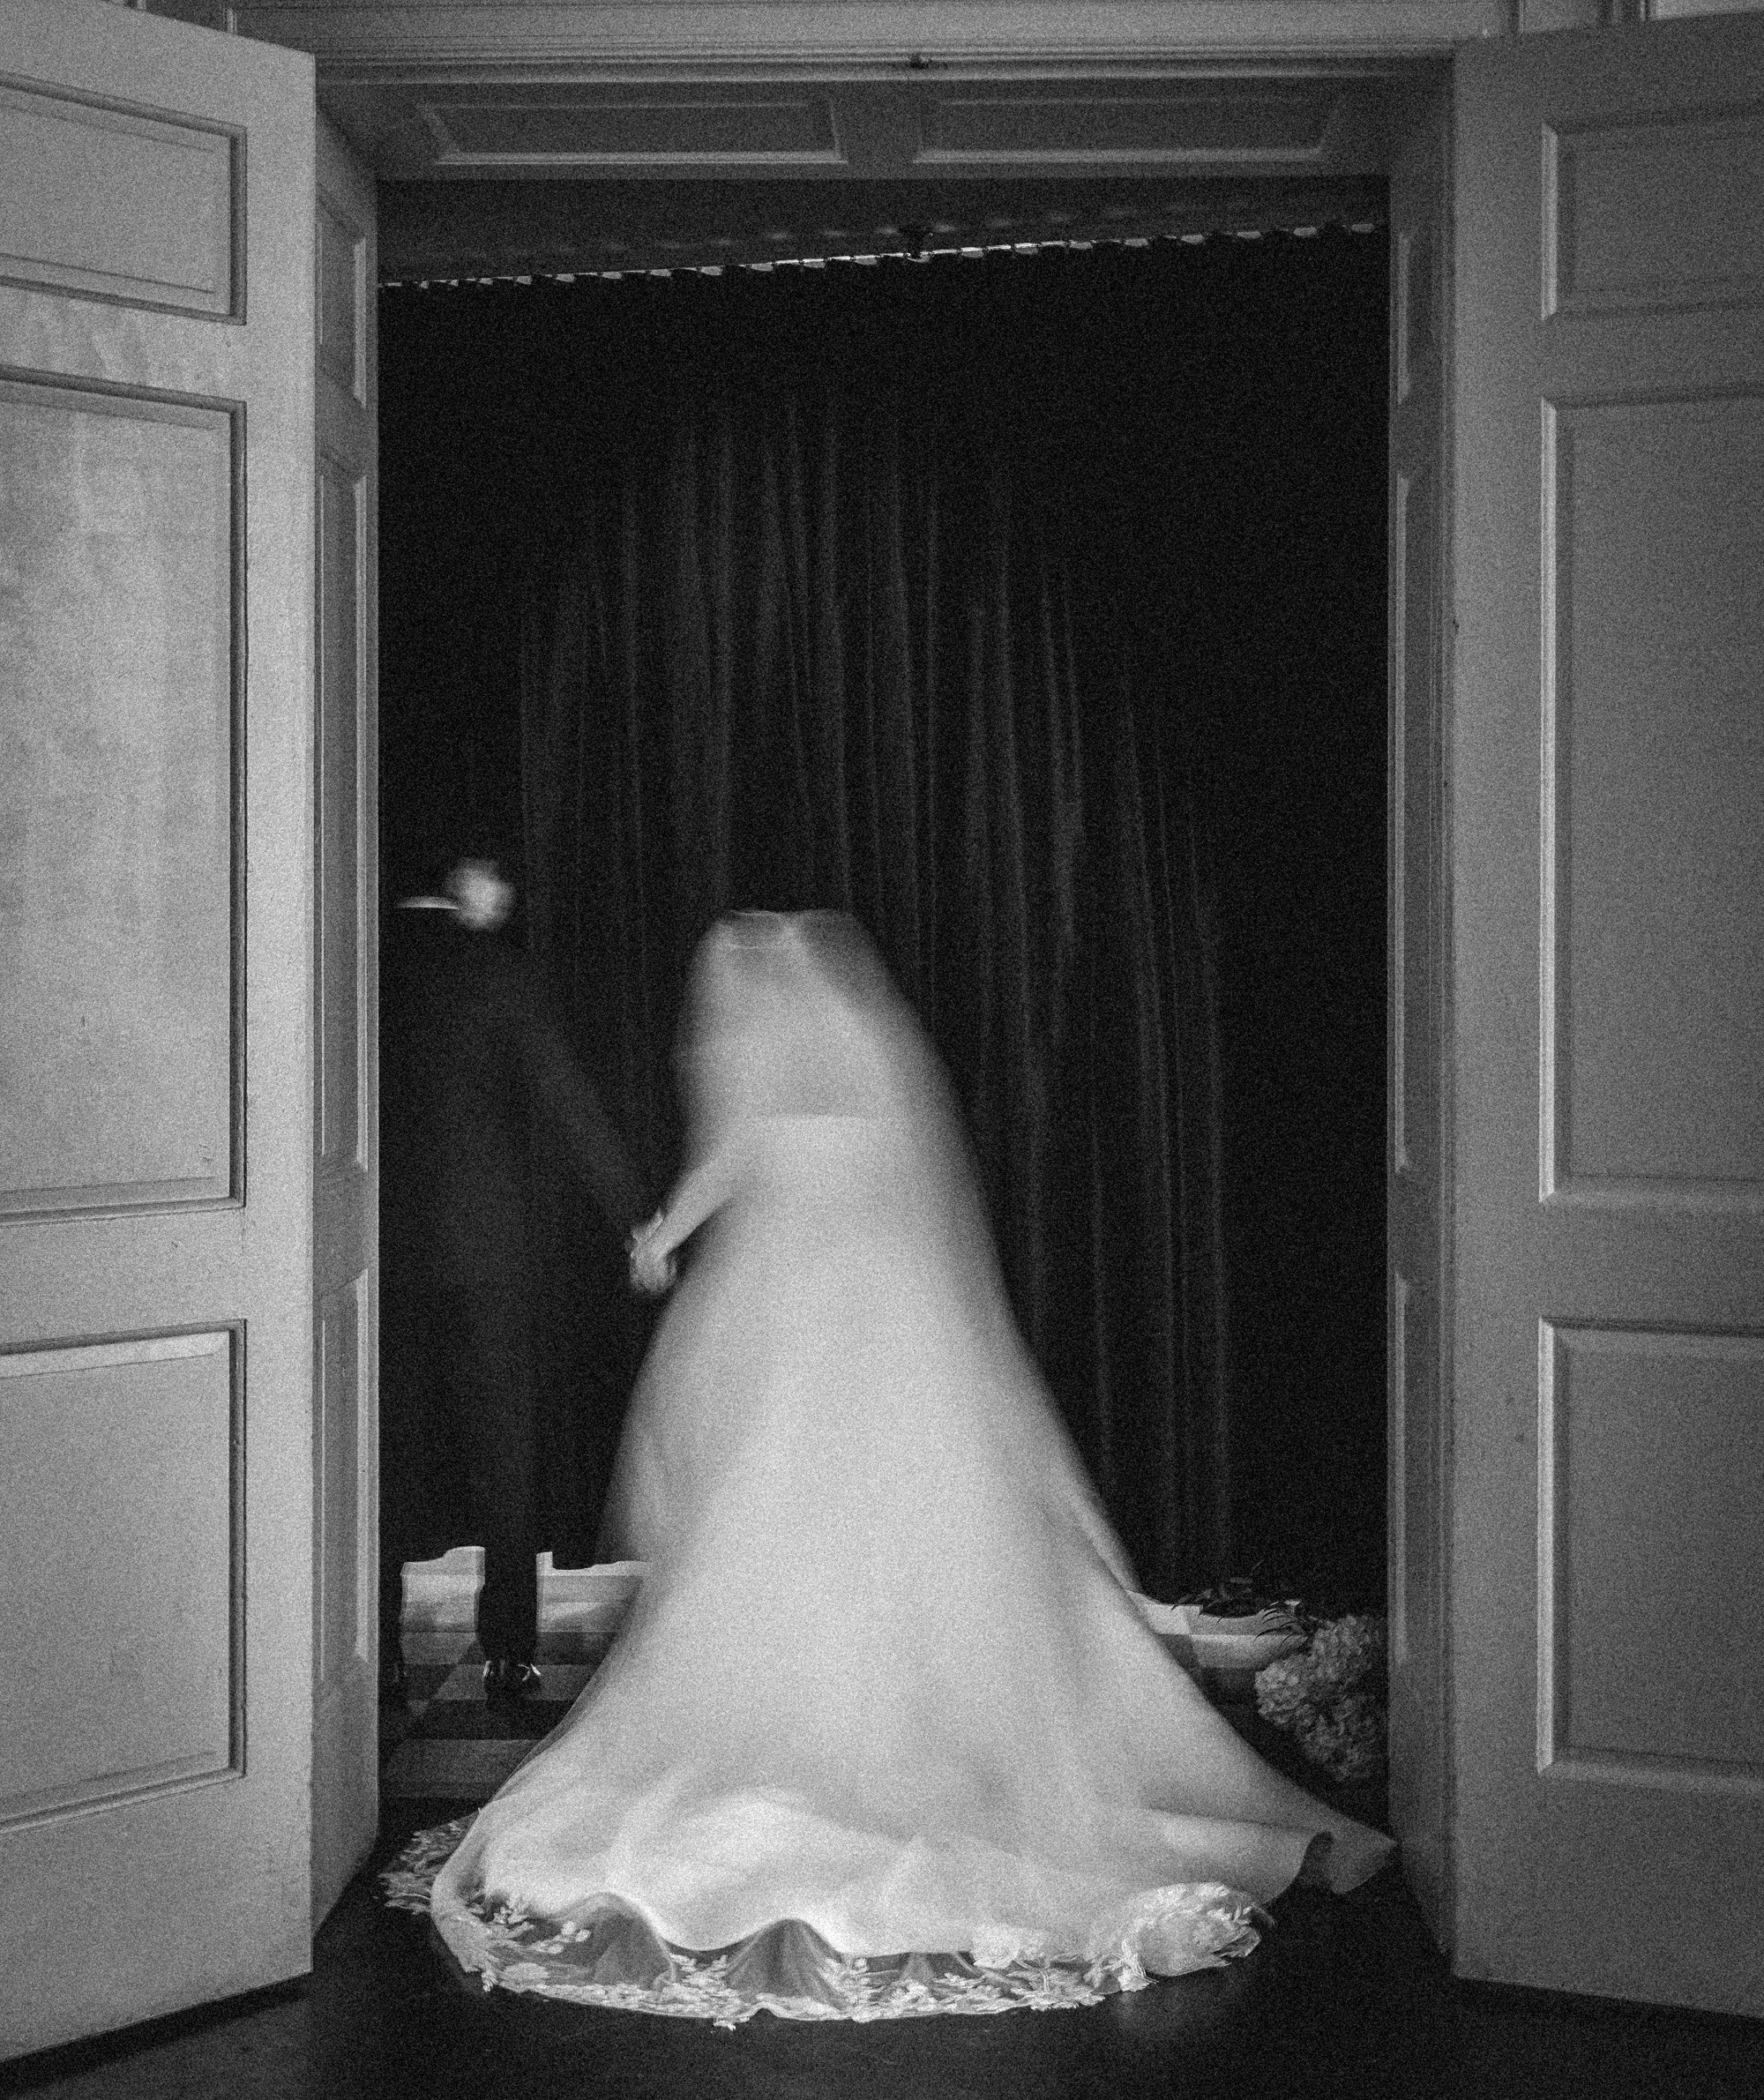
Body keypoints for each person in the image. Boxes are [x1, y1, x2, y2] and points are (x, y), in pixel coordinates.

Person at [406, 910, 1391, 2018]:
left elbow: (733, 1153)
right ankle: (943, 1740)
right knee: (918, 1538)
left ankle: (800, 1746)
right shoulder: (877, 1092)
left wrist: (662, 1232)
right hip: (904, 1333)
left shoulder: (756, 1063)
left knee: (772, 1538)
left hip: (785, 1329)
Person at [378, 851, 656, 1705]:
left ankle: (372, 1648)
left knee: (380, 1452)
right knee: (503, 1445)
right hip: (489, 1248)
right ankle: (507, 1647)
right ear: (467, 879)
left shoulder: (363, 962)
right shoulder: (493, 969)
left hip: (376, 1250)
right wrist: (633, 1215)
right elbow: (564, 1099)